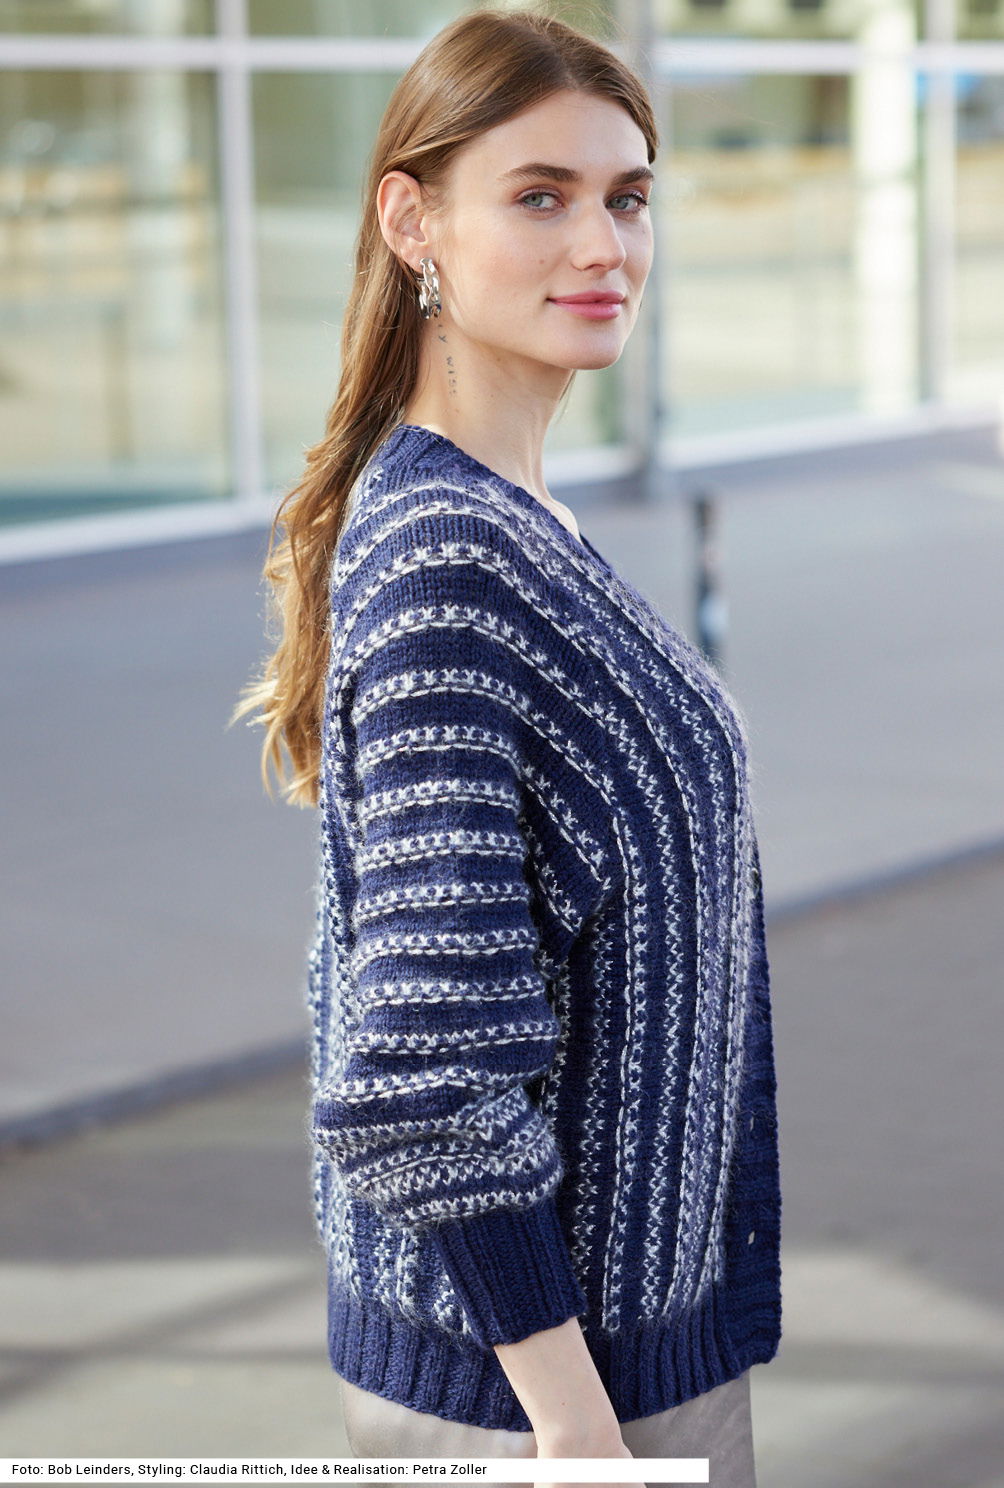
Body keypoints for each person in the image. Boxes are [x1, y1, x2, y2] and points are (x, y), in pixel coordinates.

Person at [233, 8, 781, 1484]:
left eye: (628, 197)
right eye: (541, 196)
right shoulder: (451, 564)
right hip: (544, 1396)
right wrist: (577, 1424)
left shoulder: (511, 519)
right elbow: (424, 1065)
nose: (602, 246)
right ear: (412, 222)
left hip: (607, 1360)